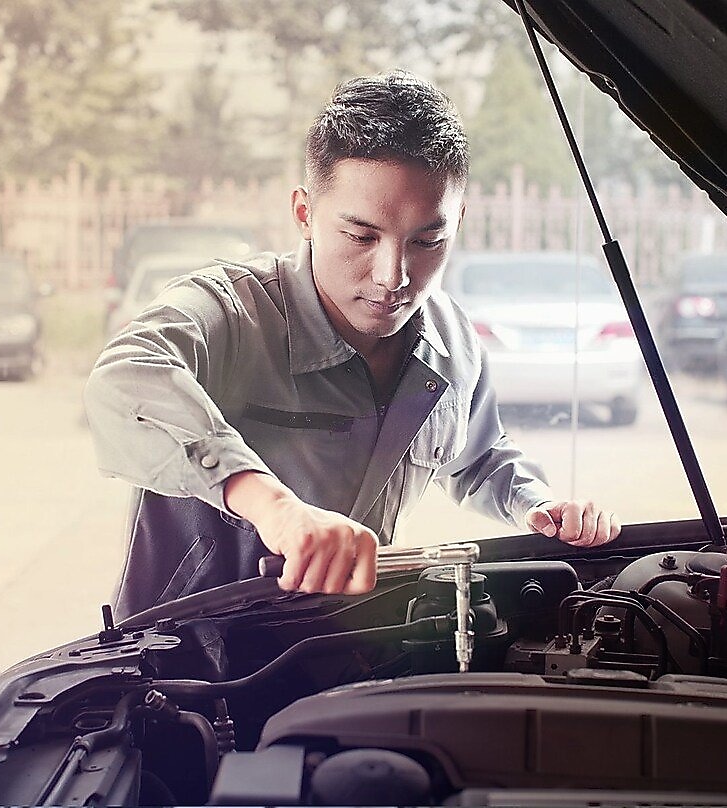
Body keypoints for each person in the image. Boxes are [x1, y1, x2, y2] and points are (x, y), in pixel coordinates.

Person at [84, 70, 621, 619]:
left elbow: (478, 457)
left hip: (343, 645)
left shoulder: (453, 342)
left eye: (427, 241)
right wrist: (273, 507)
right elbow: (125, 379)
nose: (394, 276)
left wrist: (540, 506)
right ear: (304, 213)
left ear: (458, 220)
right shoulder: (230, 312)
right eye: (362, 236)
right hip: (181, 655)